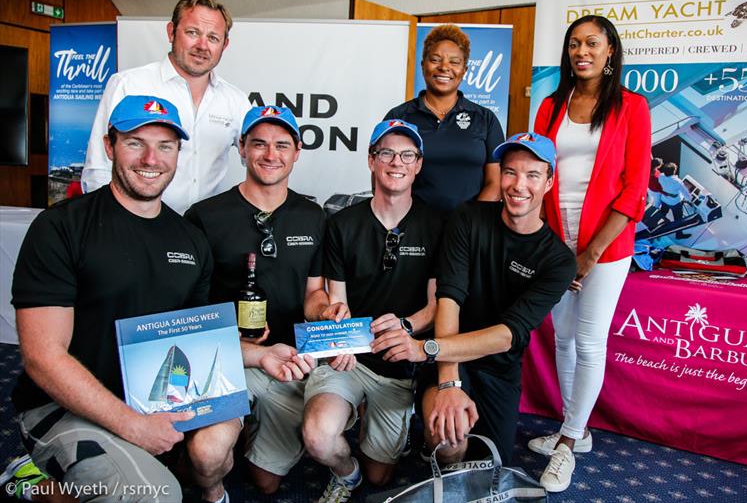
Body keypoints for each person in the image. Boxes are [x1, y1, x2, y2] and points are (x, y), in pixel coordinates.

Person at [11, 96, 310, 503]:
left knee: (214, 451)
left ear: (177, 153)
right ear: (109, 145)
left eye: (165, 146)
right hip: (66, 406)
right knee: (156, 495)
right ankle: (32, 480)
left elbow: (195, 337)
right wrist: (131, 424)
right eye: (136, 142)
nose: (151, 158)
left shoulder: (188, 239)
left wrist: (262, 355)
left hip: (157, 394)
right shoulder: (61, 227)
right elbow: (42, 357)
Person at [375, 132, 576, 469]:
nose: (518, 185)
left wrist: (424, 348)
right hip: (448, 353)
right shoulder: (468, 218)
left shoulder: (558, 260)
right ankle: (431, 443)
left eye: (532, 175)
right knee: (449, 440)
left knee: (490, 466)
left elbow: (506, 335)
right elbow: (449, 300)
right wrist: (449, 381)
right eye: (510, 172)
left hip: (498, 366)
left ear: (550, 182)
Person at [526, 15, 651, 493]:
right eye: (575, 43)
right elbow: (536, 174)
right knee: (561, 338)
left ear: (610, 51)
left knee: (590, 340)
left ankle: (569, 442)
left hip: (608, 243)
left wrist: (591, 253)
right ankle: (570, 429)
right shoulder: (552, 106)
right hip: (555, 241)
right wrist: (552, 248)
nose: (583, 51)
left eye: (593, 43)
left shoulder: (632, 107)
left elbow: (635, 188)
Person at [184, 105, 327, 495]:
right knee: (206, 454)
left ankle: (250, 429)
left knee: (266, 484)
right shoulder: (205, 216)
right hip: (228, 358)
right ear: (242, 148)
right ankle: (216, 492)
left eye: (282, 145)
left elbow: (315, 293)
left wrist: (326, 311)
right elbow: (191, 310)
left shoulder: (312, 216)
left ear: (297, 152)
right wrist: (236, 340)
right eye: (259, 143)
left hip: (289, 363)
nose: (270, 154)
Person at [302, 119, 443, 502]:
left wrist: (404, 326)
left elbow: (436, 306)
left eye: (406, 155)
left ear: (418, 165)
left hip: (399, 362)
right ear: (371, 161)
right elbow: (338, 300)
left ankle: (374, 431)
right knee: (318, 436)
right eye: (386, 153)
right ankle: (346, 474)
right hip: (352, 357)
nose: (396, 161)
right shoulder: (343, 223)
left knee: (381, 477)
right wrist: (339, 338)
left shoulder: (437, 224)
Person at [82, 0, 251, 214]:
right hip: (139, 224)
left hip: (205, 235)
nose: (202, 45)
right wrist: (112, 224)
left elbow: (260, 159)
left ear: (224, 44)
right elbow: (98, 167)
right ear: (171, 32)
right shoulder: (129, 84)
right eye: (193, 32)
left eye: (213, 38)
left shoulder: (235, 100)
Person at [384, 24, 505, 212]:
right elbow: (383, 177)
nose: (444, 67)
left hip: (469, 230)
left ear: (464, 70)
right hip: (411, 227)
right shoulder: (399, 117)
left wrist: (468, 223)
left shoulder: (485, 119)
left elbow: (495, 183)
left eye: (454, 62)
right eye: (435, 59)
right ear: (423, 65)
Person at [654, 162, 692, 239]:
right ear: (674, 171)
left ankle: (655, 230)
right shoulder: (677, 182)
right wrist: (691, 200)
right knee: (678, 219)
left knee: (662, 215)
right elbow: (686, 194)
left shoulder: (660, 176)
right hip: (675, 203)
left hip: (664, 200)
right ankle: (679, 235)